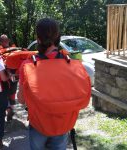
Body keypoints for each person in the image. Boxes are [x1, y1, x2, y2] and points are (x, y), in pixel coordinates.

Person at [17, 18, 91, 150]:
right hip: (64, 124)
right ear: (59, 38)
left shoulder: (28, 65)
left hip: (39, 125)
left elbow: (21, 100)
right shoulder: (72, 64)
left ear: (38, 39)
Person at [0, 34, 17, 122]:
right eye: (4, 41)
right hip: (14, 76)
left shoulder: (0, 52)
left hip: (6, 77)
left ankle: (9, 110)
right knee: (12, 94)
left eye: (5, 40)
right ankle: (10, 111)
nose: (5, 42)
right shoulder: (15, 49)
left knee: (6, 95)